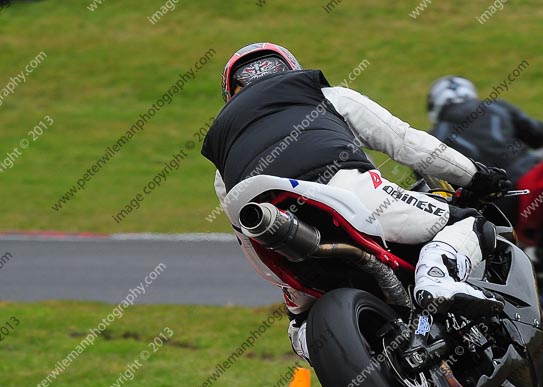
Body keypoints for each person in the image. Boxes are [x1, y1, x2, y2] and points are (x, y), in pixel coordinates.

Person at [201, 43, 510, 361]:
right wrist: (476, 176)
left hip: (276, 232)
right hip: (348, 192)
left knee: (300, 323)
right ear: (290, 70)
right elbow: (406, 143)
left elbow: (245, 235)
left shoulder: (221, 158)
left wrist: (296, 303)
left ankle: (313, 341)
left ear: (232, 93)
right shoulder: (325, 95)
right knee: (470, 223)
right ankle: (437, 279)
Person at [426, 76, 543, 225]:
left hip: (492, 206)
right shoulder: (496, 106)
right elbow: (540, 135)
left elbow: (434, 189)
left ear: (435, 106)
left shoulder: (432, 139)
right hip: (528, 176)